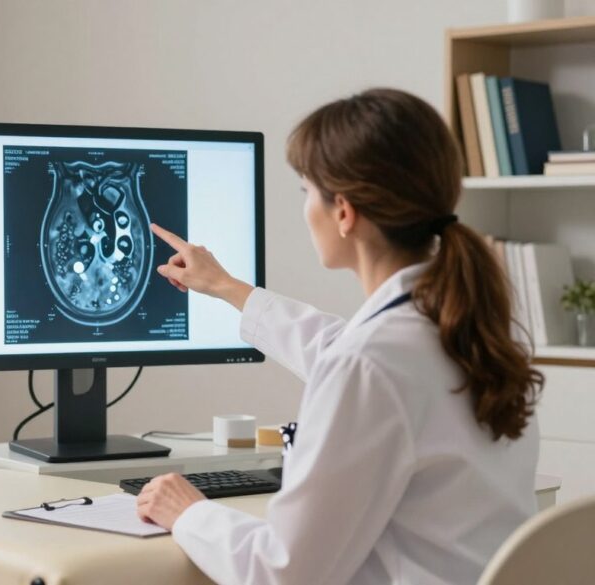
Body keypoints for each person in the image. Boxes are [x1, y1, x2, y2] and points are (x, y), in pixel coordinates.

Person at [137, 88, 544, 584]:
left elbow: (282, 573)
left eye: (307, 191)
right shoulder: (466, 332)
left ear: (344, 212)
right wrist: (227, 287)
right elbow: (344, 349)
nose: (306, 207)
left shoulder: (372, 361)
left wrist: (189, 513)